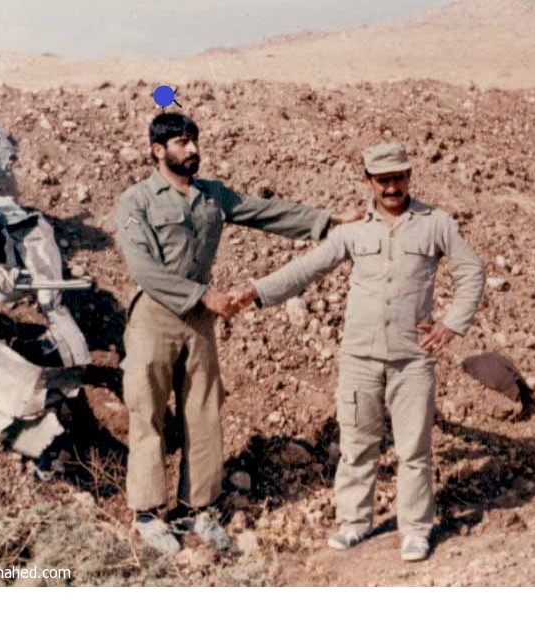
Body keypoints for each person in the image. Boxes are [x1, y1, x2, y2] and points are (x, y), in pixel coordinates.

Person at [114, 113, 361, 555]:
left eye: (194, 140)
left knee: (203, 411)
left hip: (199, 321)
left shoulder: (212, 195)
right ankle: (148, 514)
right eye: (182, 142)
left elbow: (265, 212)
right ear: (158, 150)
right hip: (154, 316)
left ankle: (197, 507)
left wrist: (329, 222)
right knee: (147, 411)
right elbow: (143, 269)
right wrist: (202, 295)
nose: (192, 149)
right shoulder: (137, 200)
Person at [225, 142, 485, 561]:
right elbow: (306, 269)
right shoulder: (352, 230)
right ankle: (354, 523)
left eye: (398, 178)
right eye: (383, 180)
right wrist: (256, 291)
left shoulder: (436, 224)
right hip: (360, 357)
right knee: (358, 444)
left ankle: (415, 530)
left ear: (409, 176)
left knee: (413, 450)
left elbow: (471, 272)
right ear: (369, 181)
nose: (392, 187)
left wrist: (451, 324)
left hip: (412, 358)